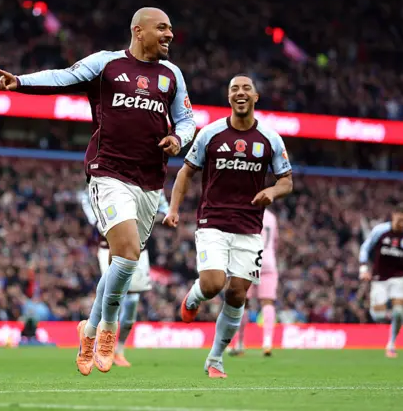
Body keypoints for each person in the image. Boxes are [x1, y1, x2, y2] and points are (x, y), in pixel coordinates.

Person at [0, 7, 196, 375]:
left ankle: (86, 331)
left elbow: (187, 119)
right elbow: (64, 77)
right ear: (139, 31)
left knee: (124, 261)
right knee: (126, 250)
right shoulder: (106, 65)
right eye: (163, 28)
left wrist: (178, 138)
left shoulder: (172, 75)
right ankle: (107, 329)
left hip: (150, 180)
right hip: (108, 172)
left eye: (171, 28)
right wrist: (21, 82)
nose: (170, 34)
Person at [163, 74, 292, 378]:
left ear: (256, 97)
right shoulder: (210, 133)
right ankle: (194, 297)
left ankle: (215, 359)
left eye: (246, 88)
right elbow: (185, 172)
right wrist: (174, 208)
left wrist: (271, 191)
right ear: (229, 97)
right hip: (213, 223)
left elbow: (286, 181)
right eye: (235, 89)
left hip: (249, 229)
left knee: (237, 295)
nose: (241, 93)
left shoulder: (270, 139)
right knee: (212, 284)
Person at [80, 188, 170, 367]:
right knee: (113, 293)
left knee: (132, 301)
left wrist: (160, 215)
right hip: (108, 247)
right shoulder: (113, 175)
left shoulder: (152, 179)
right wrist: (97, 219)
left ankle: (118, 350)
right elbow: (86, 196)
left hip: (139, 251)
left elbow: (164, 208)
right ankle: (93, 338)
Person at [358, 204, 403, 358]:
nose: (402, 224)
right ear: (393, 216)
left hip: (399, 277)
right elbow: (365, 248)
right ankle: (386, 317)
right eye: (400, 220)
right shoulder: (380, 231)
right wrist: (363, 269)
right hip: (379, 278)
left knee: (399, 312)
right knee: (378, 316)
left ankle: (391, 344)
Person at [228, 209, 279, 357]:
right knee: (267, 302)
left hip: (249, 261)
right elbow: (275, 242)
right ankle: (267, 342)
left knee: (244, 303)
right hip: (268, 261)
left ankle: (239, 343)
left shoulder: (246, 213)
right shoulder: (272, 216)